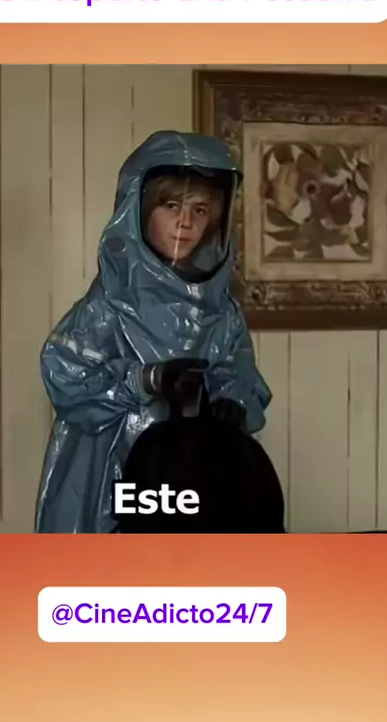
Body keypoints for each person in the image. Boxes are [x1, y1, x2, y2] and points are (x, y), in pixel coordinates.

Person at [34, 130, 272, 533]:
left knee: (196, 562)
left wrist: (233, 402)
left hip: (197, 470)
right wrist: (148, 380)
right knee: (118, 565)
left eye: (200, 209)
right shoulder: (109, 305)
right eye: (172, 205)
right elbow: (64, 377)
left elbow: (242, 377)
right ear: (139, 210)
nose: (186, 222)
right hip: (111, 471)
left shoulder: (221, 311)